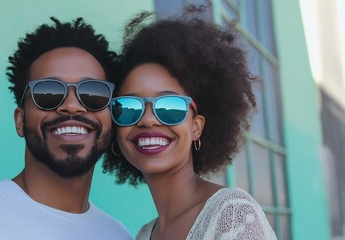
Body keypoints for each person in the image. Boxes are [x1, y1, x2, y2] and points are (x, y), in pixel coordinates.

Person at [0, 17, 131, 240]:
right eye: (48, 93)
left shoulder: (118, 234)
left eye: (93, 94)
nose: (72, 106)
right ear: (20, 120)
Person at [103, 9, 277, 240]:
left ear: (196, 127)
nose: (147, 119)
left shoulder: (232, 215)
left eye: (169, 107)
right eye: (129, 108)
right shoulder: (144, 234)